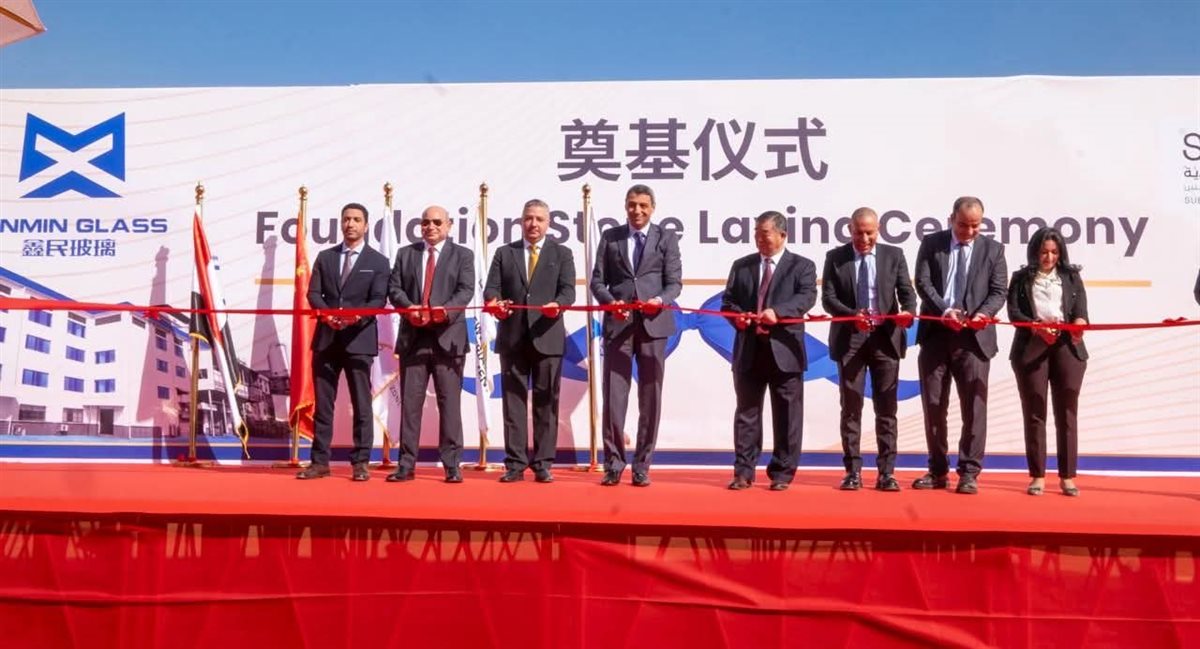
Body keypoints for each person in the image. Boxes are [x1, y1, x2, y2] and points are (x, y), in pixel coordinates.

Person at [912, 196, 1008, 494]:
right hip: (936, 335)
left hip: (974, 340)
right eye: (964, 225)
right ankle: (937, 470)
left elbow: (998, 291)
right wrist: (944, 311)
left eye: (976, 225)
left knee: (974, 409)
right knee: (934, 406)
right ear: (951, 219)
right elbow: (923, 283)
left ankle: (969, 472)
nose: (969, 231)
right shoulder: (932, 244)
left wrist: (983, 314)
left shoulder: (993, 250)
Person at [589, 184, 682, 487]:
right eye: (632, 205)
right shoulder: (610, 237)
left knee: (650, 397)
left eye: (643, 205)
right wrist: (610, 302)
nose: (637, 210)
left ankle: (642, 465)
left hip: (654, 326)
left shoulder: (666, 238)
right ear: (625, 206)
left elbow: (674, 283)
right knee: (614, 397)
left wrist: (660, 300)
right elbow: (597, 281)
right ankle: (614, 464)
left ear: (652, 208)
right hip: (618, 326)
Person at [821, 207, 916, 492]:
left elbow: (907, 293)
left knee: (886, 409)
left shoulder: (894, 255)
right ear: (850, 230)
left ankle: (887, 473)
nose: (864, 239)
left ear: (879, 230)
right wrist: (852, 315)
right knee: (851, 408)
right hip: (850, 340)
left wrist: (908, 311)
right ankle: (852, 472)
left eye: (869, 233)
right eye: (859, 232)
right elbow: (828, 298)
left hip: (885, 340)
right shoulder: (836, 257)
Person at [721, 211, 817, 492]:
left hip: (785, 351)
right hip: (749, 349)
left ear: (782, 235)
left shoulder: (802, 266)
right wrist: (738, 318)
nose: (759, 239)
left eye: (764, 233)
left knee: (787, 415)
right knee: (747, 413)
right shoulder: (742, 266)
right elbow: (728, 302)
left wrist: (778, 312)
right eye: (756, 233)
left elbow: (806, 298)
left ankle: (782, 473)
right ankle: (743, 471)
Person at [484, 199, 577, 483]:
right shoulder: (505, 253)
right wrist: (495, 303)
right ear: (521, 221)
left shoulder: (562, 254)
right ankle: (514, 463)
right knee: (513, 403)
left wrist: (557, 304)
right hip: (512, 338)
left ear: (549, 223)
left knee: (546, 403)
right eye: (528, 218)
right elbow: (491, 289)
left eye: (539, 219)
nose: (533, 224)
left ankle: (543, 463)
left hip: (547, 337)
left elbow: (568, 291)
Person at [297, 203, 391, 481]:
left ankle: (361, 462)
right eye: (346, 219)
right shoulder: (325, 257)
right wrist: (328, 316)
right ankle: (319, 462)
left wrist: (354, 318)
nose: (350, 224)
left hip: (359, 340)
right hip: (327, 340)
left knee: (361, 404)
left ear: (366, 225)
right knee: (324, 405)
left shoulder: (378, 261)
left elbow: (378, 300)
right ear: (341, 223)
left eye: (356, 220)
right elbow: (314, 294)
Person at [385, 205, 474, 483]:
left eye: (437, 222)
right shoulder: (406, 253)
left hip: (449, 339)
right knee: (410, 405)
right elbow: (394, 289)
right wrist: (409, 307)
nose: (430, 227)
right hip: (414, 339)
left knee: (450, 405)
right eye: (425, 222)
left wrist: (444, 311)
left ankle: (452, 465)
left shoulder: (463, 255)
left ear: (449, 225)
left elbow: (466, 290)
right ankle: (406, 464)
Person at [1007, 227, 1089, 497]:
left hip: (1067, 347)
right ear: (1034, 252)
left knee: (1067, 412)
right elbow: (1014, 313)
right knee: (1035, 411)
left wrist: (1079, 323)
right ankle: (1037, 475)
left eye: (1054, 252)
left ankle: (1067, 476)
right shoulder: (1021, 278)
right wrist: (1036, 326)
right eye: (1044, 252)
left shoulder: (1071, 276)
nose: (1049, 257)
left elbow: (1081, 311)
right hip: (1031, 347)